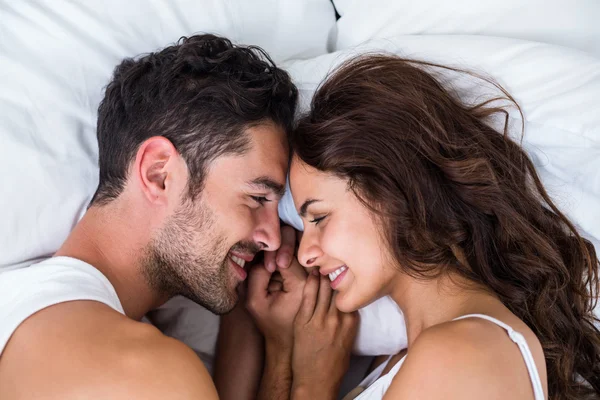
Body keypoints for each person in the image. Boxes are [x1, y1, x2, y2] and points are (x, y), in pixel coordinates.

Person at [240, 54, 600, 400]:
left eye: (319, 217)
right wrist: (283, 348)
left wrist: (313, 384)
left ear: (394, 192)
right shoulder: (418, 357)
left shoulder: (461, 352)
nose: (306, 253)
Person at [0, 34, 299, 399]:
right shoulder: (147, 371)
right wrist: (311, 372)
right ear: (159, 174)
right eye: (256, 197)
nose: (272, 235)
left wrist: (249, 325)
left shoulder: (27, 310)